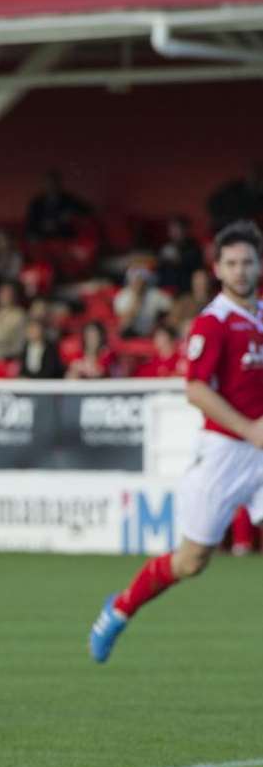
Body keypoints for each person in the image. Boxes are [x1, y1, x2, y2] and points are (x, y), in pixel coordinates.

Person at [88, 221, 263, 663]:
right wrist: (249, 429)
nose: (241, 270)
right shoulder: (214, 322)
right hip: (226, 452)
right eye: (232, 263)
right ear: (218, 269)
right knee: (191, 561)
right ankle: (121, 608)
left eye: (248, 262)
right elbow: (196, 390)